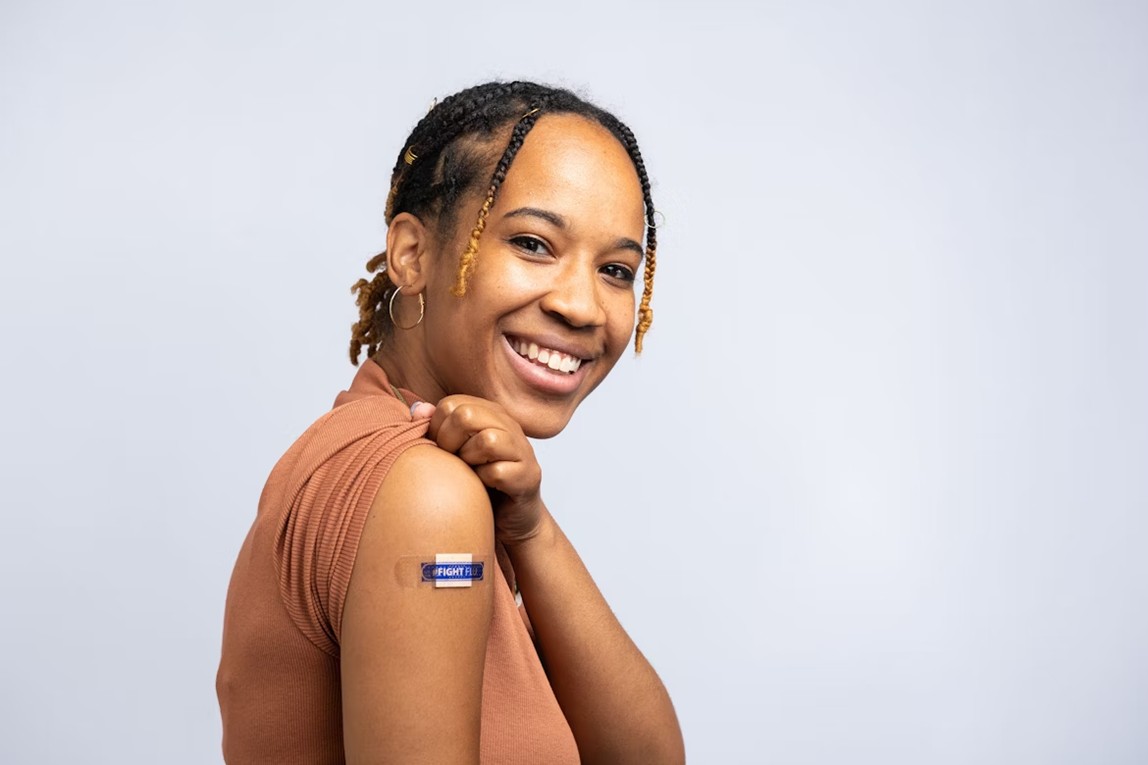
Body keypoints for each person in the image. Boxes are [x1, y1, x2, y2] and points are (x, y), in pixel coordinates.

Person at [216, 80, 684, 764]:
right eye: (532, 243)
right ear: (412, 255)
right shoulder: (426, 497)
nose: (584, 306)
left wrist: (532, 528)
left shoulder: (402, 466)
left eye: (616, 269)